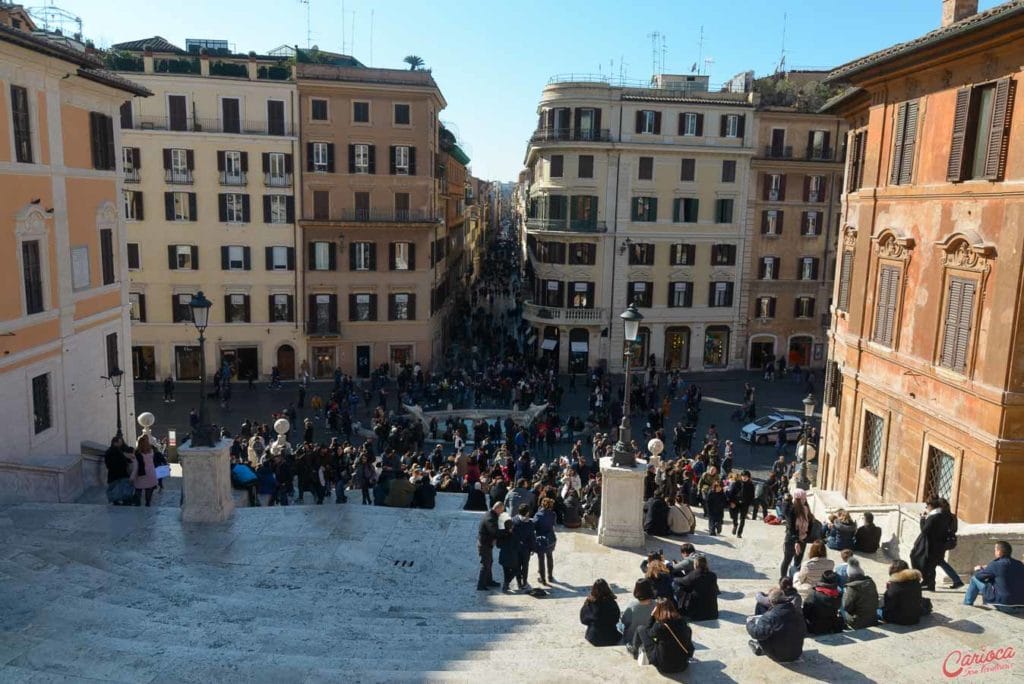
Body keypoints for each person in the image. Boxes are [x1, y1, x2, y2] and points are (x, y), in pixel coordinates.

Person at [633, 598, 693, 674]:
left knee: (640, 629)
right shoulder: (683, 622)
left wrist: (652, 616)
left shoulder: (660, 626)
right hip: (683, 665)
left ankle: (635, 653)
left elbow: (648, 632)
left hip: (663, 666)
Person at [747, 587, 807, 662]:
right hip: (796, 654)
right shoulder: (797, 613)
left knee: (762, 632)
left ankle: (760, 647)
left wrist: (749, 624)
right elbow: (804, 632)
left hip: (778, 656)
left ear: (771, 602)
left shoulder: (769, 617)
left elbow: (757, 634)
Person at [963, 541, 1024, 610]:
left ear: (999, 552)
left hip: (1004, 605)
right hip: (1021, 605)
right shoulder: (1019, 564)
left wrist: (978, 570)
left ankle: (967, 604)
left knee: (974, 578)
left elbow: (979, 576)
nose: (994, 552)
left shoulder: (996, 564)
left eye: (995, 550)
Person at [911, 497, 954, 591]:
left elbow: (924, 530)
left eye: (927, 506)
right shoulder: (944, 515)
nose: (926, 508)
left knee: (921, 561)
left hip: (931, 545)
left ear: (931, 506)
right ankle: (929, 584)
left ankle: (928, 584)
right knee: (931, 565)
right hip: (939, 544)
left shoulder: (933, 517)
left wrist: (922, 519)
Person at [675, 555, 720, 621]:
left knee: (682, 588)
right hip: (712, 613)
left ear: (695, 564)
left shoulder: (693, 575)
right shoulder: (713, 575)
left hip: (697, 615)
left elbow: (680, 582)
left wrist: (674, 578)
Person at [781, 489, 813, 579]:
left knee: (798, 562)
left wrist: (806, 536)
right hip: (791, 539)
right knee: (787, 560)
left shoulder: (807, 509)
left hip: (803, 539)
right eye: (801, 498)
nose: (803, 500)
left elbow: (810, 524)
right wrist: (796, 541)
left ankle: (794, 580)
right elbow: (791, 527)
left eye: (804, 498)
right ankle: (783, 580)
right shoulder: (791, 509)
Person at [880, 560, 924, 625]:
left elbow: (889, 605)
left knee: (875, 611)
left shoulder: (895, 585)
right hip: (915, 618)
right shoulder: (916, 581)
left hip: (900, 620)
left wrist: (888, 590)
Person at [580, 579, 621, 646]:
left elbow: (583, 620)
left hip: (594, 637)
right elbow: (616, 619)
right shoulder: (612, 602)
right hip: (611, 637)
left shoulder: (590, 603)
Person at [620, 579, 656, 653]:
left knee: (619, 624)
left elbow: (624, 621)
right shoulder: (656, 605)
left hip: (632, 639)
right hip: (649, 638)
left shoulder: (632, 606)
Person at [802, 570, 844, 635]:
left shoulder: (814, 594)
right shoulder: (838, 595)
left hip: (814, 627)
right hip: (830, 626)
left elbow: (805, 611)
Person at [841, 559, 878, 629]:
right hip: (873, 618)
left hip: (858, 622)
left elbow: (847, 607)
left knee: (841, 597)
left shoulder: (852, 587)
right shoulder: (871, 582)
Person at [476, 502, 503, 591]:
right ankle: (481, 585)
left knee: (489, 562)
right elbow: (494, 531)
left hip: (486, 543)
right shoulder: (490, 517)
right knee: (485, 564)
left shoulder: (491, 515)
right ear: (497, 508)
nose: (501, 512)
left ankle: (489, 581)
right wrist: (504, 532)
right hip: (484, 544)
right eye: (501, 510)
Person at [511, 503, 537, 592]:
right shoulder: (530, 524)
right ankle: (524, 582)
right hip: (526, 549)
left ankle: (519, 582)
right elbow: (532, 538)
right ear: (527, 513)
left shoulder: (513, 520)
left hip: (516, 547)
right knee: (525, 566)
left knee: (517, 565)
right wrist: (533, 548)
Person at [532, 497, 558, 585]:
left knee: (541, 559)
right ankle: (550, 576)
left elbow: (533, 526)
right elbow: (553, 524)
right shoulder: (553, 514)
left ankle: (543, 579)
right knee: (550, 557)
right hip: (551, 539)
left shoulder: (538, 515)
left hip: (541, 539)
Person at [130, 434, 160, 507]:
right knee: (149, 489)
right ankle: (147, 503)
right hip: (150, 473)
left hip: (140, 475)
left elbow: (135, 467)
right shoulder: (151, 451)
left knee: (138, 489)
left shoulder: (137, 454)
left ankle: (138, 504)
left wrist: (131, 477)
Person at [103, 436, 135, 505]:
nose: (121, 443)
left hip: (113, 474)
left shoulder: (109, 451)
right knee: (124, 488)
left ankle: (115, 501)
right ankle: (125, 500)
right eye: (120, 442)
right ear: (115, 442)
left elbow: (107, 463)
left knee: (113, 488)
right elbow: (124, 461)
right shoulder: (118, 451)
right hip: (121, 474)